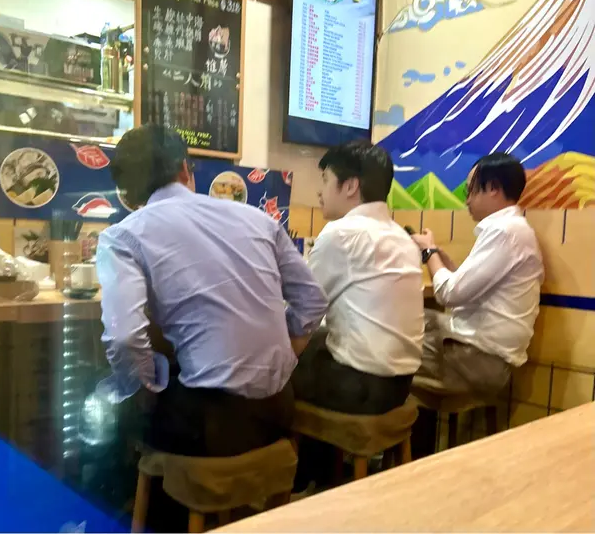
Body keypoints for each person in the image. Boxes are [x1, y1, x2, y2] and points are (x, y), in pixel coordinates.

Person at [95, 125, 327, 526]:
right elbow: (313, 302)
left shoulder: (123, 236)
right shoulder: (258, 219)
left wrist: (144, 388)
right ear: (186, 169)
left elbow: (124, 335)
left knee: (109, 399)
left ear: (127, 194)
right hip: (278, 412)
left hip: (208, 427)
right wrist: (283, 357)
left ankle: (135, 517)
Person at [293, 140, 424, 415]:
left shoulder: (341, 232)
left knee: (267, 370)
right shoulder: (402, 237)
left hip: (358, 388)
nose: (320, 191)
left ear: (351, 186)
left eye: (325, 180)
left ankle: (301, 445)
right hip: (401, 386)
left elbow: (304, 309)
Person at [411, 152, 544, 397]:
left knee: (385, 348)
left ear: (493, 188)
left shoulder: (505, 232)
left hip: (478, 360)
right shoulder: (511, 230)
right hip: (479, 353)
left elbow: (449, 294)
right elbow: (466, 290)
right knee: (409, 321)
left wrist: (429, 252)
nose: (467, 201)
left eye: (470, 191)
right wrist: (439, 257)